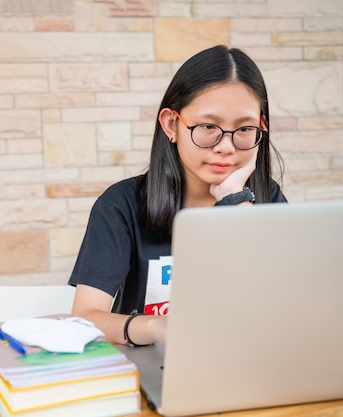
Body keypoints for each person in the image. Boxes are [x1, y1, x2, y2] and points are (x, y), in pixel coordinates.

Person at [68, 45, 287, 348]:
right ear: (171, 124)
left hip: (246, 363)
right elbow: (85, 319)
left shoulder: (266, 199)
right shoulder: (122, 205)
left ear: (261, 128)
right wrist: (159, 327)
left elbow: (282, 306)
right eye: (209, 126)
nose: (226, 146)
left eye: (244, 128)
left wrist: (237, 202)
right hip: (153, 366)